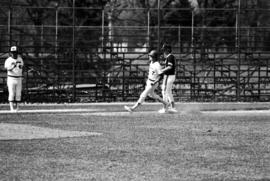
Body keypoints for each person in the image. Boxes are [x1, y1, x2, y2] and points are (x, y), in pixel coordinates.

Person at [158, 43, 177, 113]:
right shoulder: (169, 57)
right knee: (168, 92)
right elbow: (168, 66)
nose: (163, 51)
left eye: (165, 49)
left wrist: (161, 70)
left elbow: (170, 67)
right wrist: (162, 68)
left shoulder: (170, 57)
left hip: (169, 76)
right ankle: (173, 107)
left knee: (164, 92)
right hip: (170, 76)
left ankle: (165, 108)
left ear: (168, 50)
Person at [4, 46, 24, 112]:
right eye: (13, 52)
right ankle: (12, 108)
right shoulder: (8, 60)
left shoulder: (20, 59)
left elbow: (21, 67)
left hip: (19, 78)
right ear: (10, 53)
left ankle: (17, 108)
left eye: (15, 52)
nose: (14, 54)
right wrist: (13, 66)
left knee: (18, 93)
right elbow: (7, 69)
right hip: (11, 78)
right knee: (11, 93)